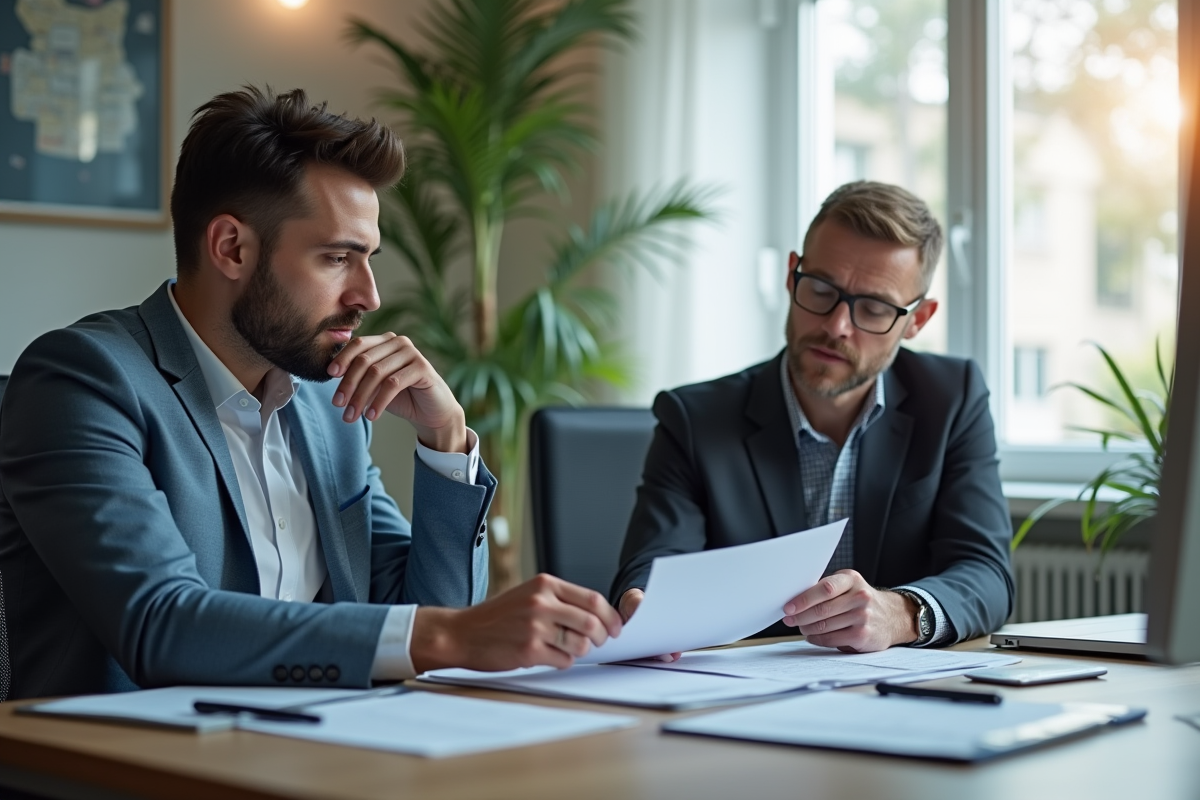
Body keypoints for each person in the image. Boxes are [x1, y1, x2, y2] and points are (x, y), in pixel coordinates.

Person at [0, 86, 620, 700]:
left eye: (368, 257)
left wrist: (446, 441)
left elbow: (427, 618)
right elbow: (160, 624)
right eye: (337, 258)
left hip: (313, 754)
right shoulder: (82, 380)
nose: (370, 296)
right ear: (231, 248)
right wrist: (449, 634)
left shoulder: (330, 406)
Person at [611, 181, 1013, 655]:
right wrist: (645, 603)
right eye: (821, 289)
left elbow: (986, 572)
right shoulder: (695, 418)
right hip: (738, 692)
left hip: (893, 694)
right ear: (790, 277)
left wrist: (900, 613)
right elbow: (655, 564)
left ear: (917, 320)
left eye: (874, 308)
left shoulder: (951, 399)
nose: (836, 326)